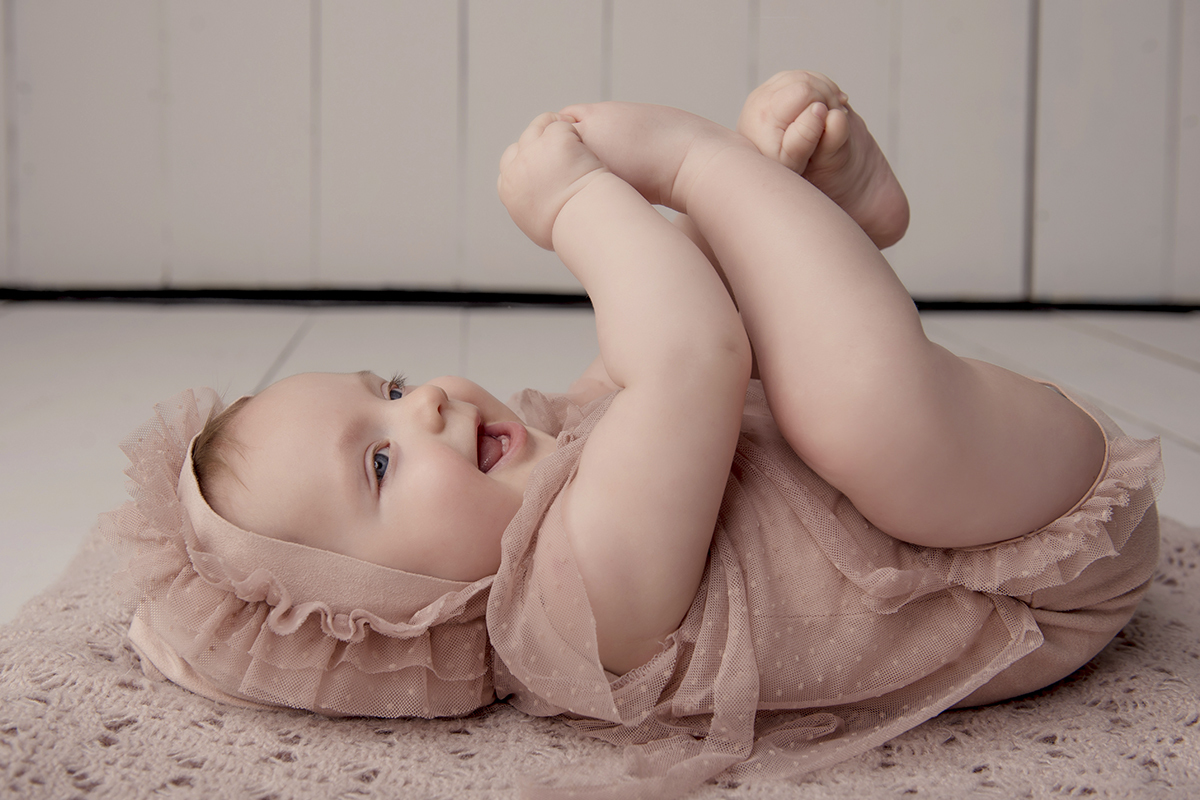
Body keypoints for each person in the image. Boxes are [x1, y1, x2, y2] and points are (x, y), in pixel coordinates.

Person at [105, 72, 1163, 798]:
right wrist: (610, 190)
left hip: (994, 465)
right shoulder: (565, 611)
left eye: (389, 384)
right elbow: (693, 352)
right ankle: (734, 175)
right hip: (1028, 570)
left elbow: (673, 332)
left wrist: (719, 230)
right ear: (392, 618)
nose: (424, 403)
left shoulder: (566, 447)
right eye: (379, 461)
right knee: (853, 416)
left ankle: (806, 208)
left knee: (829, 401)